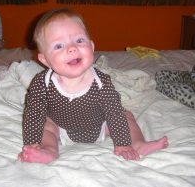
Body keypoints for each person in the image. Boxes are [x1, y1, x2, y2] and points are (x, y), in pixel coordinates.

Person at [18, 8, 168, 164]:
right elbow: (34, 114)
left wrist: (123, 143)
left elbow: (114, 113)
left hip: (101, 126)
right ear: (45, 60)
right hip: (60, 128)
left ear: (91, 46)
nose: (72, 48)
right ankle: (48, 151)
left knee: (125, 116)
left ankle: (138, 143)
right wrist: (32, 142)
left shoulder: (101, 82)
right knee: (46, 124)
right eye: (58, 46)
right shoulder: (42, 83)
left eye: (79, 40)